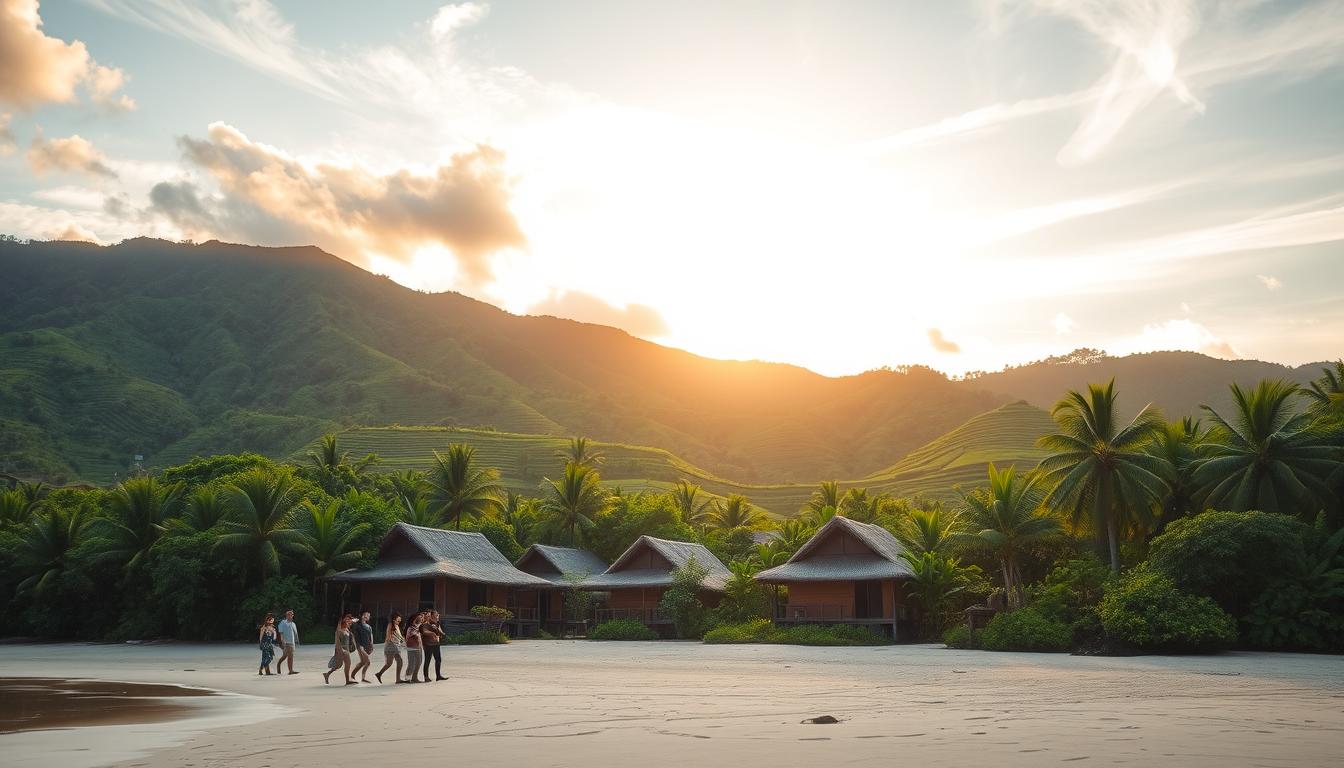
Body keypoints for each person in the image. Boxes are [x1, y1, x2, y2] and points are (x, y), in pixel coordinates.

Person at [323, 614, 356, 685]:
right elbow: (337, 642)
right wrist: (341, 650)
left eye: (348, 619)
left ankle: (327, 674)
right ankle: (347, 681)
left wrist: (352, 620)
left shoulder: (347, 628)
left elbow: (354, 621)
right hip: (341, 649)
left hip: (346, 649)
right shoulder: (339, 630)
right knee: (344, 664)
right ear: (342, 620)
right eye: (346, 619)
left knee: (339, 665)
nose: (347, 621)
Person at [375, 611, 404, 684]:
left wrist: (402, 641)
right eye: (398, 620)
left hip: (395, 646)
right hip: (390, 645)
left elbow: (399, 637)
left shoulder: (396, 626)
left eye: (400, 620)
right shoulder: (390, 625)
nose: (399, 621)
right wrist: (397, 643)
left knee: (389, 663)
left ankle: (379, 674)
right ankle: (397, 679)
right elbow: (388, 637)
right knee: (398, 661)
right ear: (394, 619)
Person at [422, 610, 447, 682]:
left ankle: (438, 676)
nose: (438, 615)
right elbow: (424, 633)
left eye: (438, 614)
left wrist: (440, 633)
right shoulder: (426, 624)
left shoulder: (436, 623)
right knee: (427, 660)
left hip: (436, 643)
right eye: (436, 614)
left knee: (438, 660)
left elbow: (441, 633)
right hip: (428, 644)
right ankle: (426, 677)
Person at [351, 611, 374, 683]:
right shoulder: (357, 625)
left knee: (363, 662)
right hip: (360, 646)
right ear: (362, 615)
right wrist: (356, 619)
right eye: (366, 615)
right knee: (368, 662)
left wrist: (372, 645)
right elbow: (353, 632)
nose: (367, 616)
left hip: (367, 646)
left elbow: (371, 636)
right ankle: (362, 678)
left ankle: (352, 675)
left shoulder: (369, 626)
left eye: (368, 615)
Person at [276, 609, 299, 674]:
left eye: (291, 615)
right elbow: (281, 632)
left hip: (292, 642)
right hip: (286, 642)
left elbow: (295, 633)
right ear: (286, 615)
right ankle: (290, 671)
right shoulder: (283, 622)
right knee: (290, 656)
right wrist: (282, 641)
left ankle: (278, 665)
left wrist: (297, 641)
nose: (290, 616)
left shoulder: (293, 624)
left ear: (292, 616)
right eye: (288, 615)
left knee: (285, 656)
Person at [405, 612, 424, 683]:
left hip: (418, 647)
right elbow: (414, 635)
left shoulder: (417, 626)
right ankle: (407, 678)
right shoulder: (410, 628)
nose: (421, 618)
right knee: (411, 664)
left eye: (421, 617)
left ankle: (414, 677)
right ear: (415, 619)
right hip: (411, 648)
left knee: (419, 663)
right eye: (420, 617)